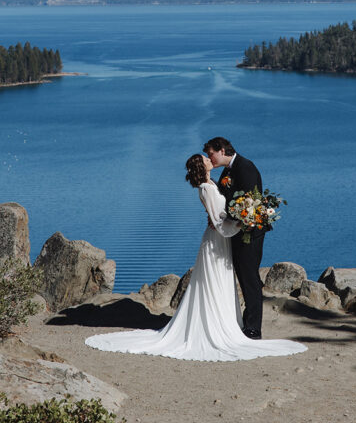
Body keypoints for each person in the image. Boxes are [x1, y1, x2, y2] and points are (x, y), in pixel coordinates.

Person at [84, 153, 305, 361]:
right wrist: (242, 223)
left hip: (221, 240)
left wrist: (240, 217)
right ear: (202, 167)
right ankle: (215, 325)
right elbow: (219, 223)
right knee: (213, 282)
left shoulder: (212, 183)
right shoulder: (207, 188)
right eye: (205, 158)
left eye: (208, 155)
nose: (209, 159)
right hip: (217, 240)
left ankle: (225, 322)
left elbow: (221, 213)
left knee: (220, 282)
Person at [203, 136, 265, 340]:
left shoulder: (245, 167)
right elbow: (225, 198)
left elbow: (250, 201)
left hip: (249, 232)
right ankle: (246, 323)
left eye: (211, 153)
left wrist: (223, 217)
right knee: (242, 276)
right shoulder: (227, 171)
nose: (209, 157)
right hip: (236, 231)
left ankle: (254, 328)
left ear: (221, 150)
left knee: (250, 278)